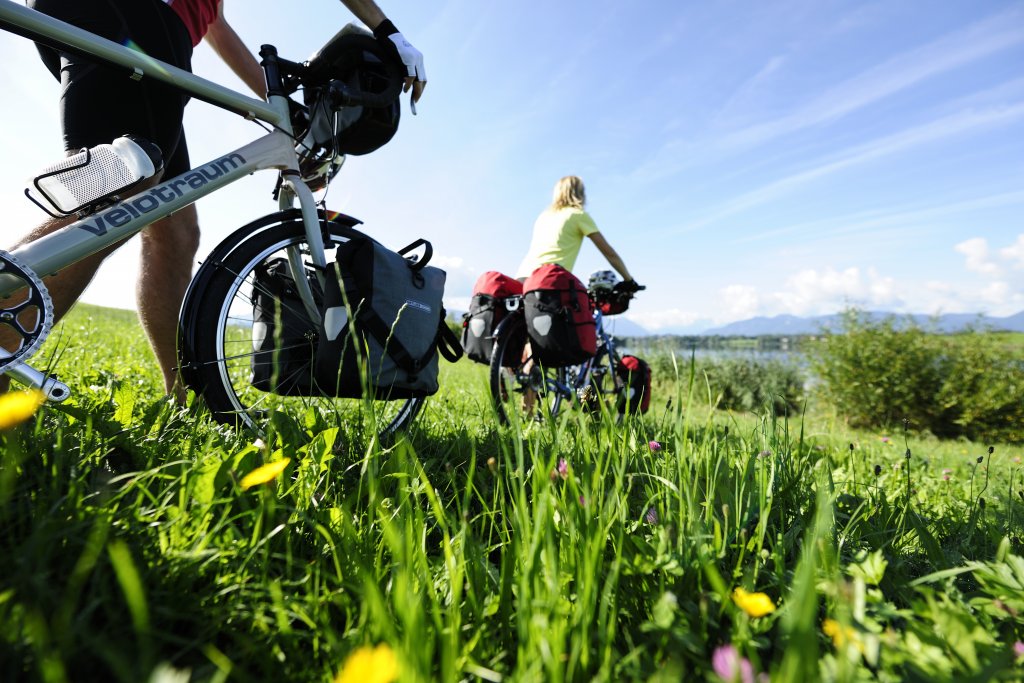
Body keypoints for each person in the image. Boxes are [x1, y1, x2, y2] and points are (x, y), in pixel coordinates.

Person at [0, 0, 426, 400]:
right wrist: (389, 33)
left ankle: (185, 396)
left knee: (175, 231)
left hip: (137, 24)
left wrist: (281, 110)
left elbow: (216, 27)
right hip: (142, 19)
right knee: (122, 194)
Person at [515, 175, 638, 287]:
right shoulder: (577, 215)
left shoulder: (544, 216)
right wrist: (629, 280)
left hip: (522, 279)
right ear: (580, 193)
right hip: (549, 278)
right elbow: (609, 253)